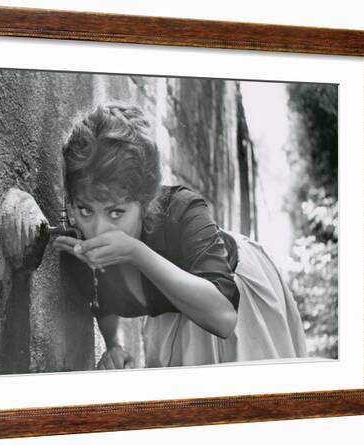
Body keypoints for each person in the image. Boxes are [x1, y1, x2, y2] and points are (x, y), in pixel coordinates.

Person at [53, 102, 308, 370]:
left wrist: (135, 252)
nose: (97, 229)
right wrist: (114, 345)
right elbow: (101, 298)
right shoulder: (77, 245)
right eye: (85, 210)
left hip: (233, 301)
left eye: (116, 212)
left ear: (145, 202)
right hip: (174, 315)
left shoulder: (181, 210)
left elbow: (223, 318)